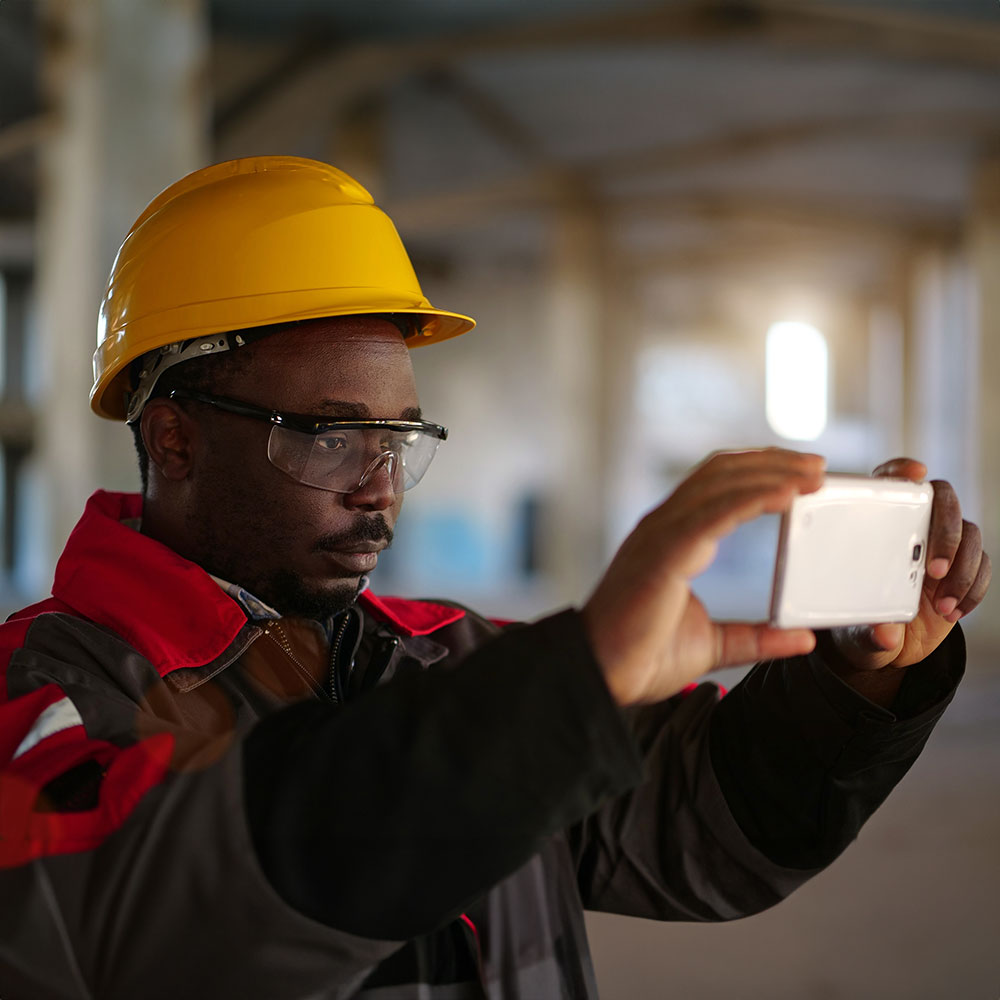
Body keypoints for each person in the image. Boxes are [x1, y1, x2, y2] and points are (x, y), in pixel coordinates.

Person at [0, 156, 989, 1000]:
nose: (380, 489)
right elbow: (128, 921)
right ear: (174, 438)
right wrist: (564, 690)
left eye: (398, 438)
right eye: (335, 434)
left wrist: (856, 683)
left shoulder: (450, 658)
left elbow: (706, 828)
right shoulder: (48, 691)